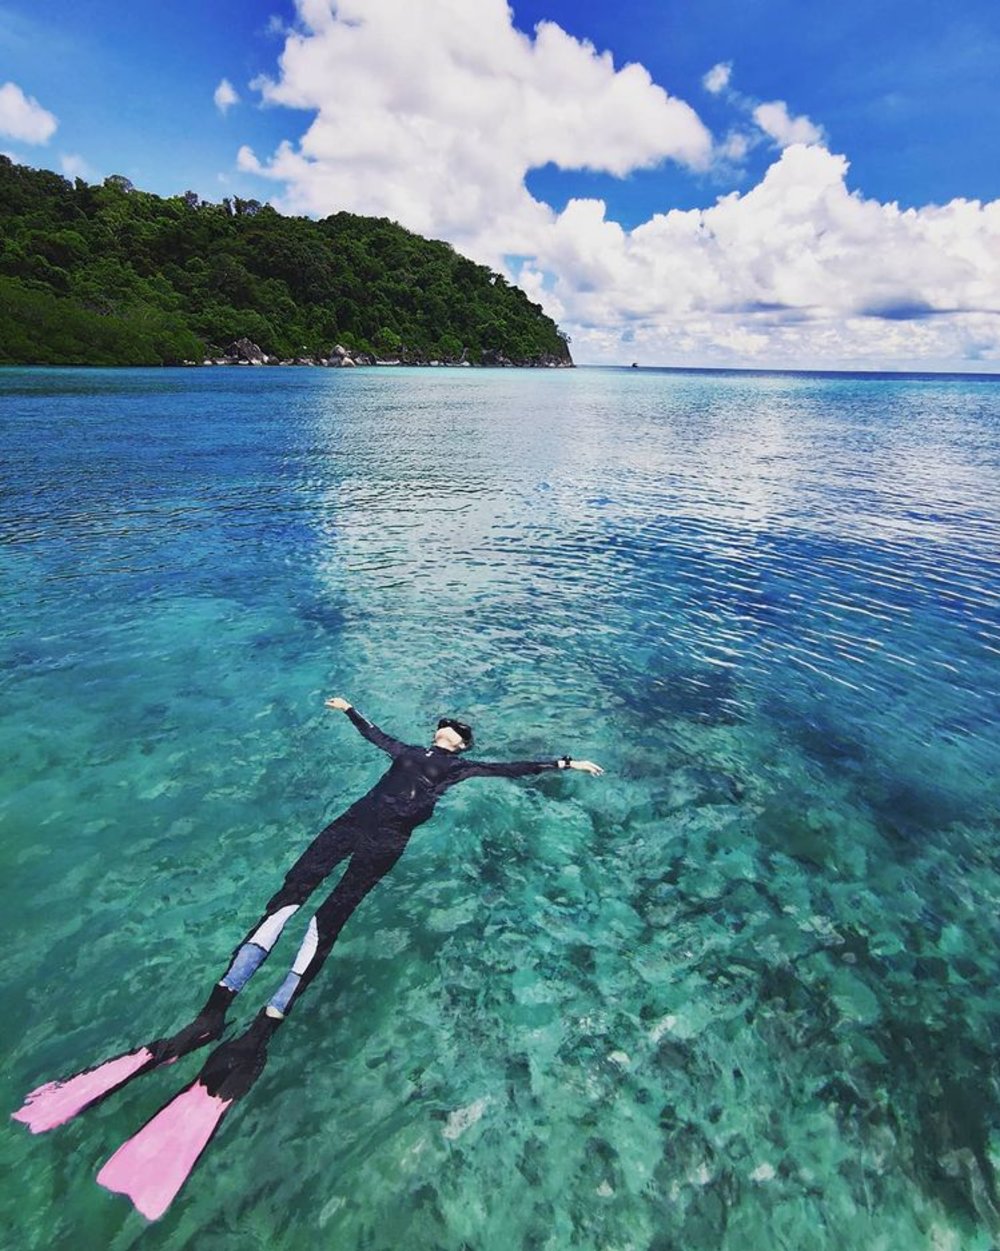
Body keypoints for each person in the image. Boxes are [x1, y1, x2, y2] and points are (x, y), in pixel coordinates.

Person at [15, 699, 603, 1149]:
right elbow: (374, 735)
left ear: (460, 744)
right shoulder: (406, 751)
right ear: (436, 734)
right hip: (350, 827)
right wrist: (351, 710)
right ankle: (212, 1014)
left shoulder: (458, 770)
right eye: (445, 727)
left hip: (384, 842)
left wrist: (565, 762)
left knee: (326, 922)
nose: (447, 731)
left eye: (456, 731)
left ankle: (261, 1029)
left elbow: (510, 769)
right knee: (285, 904)